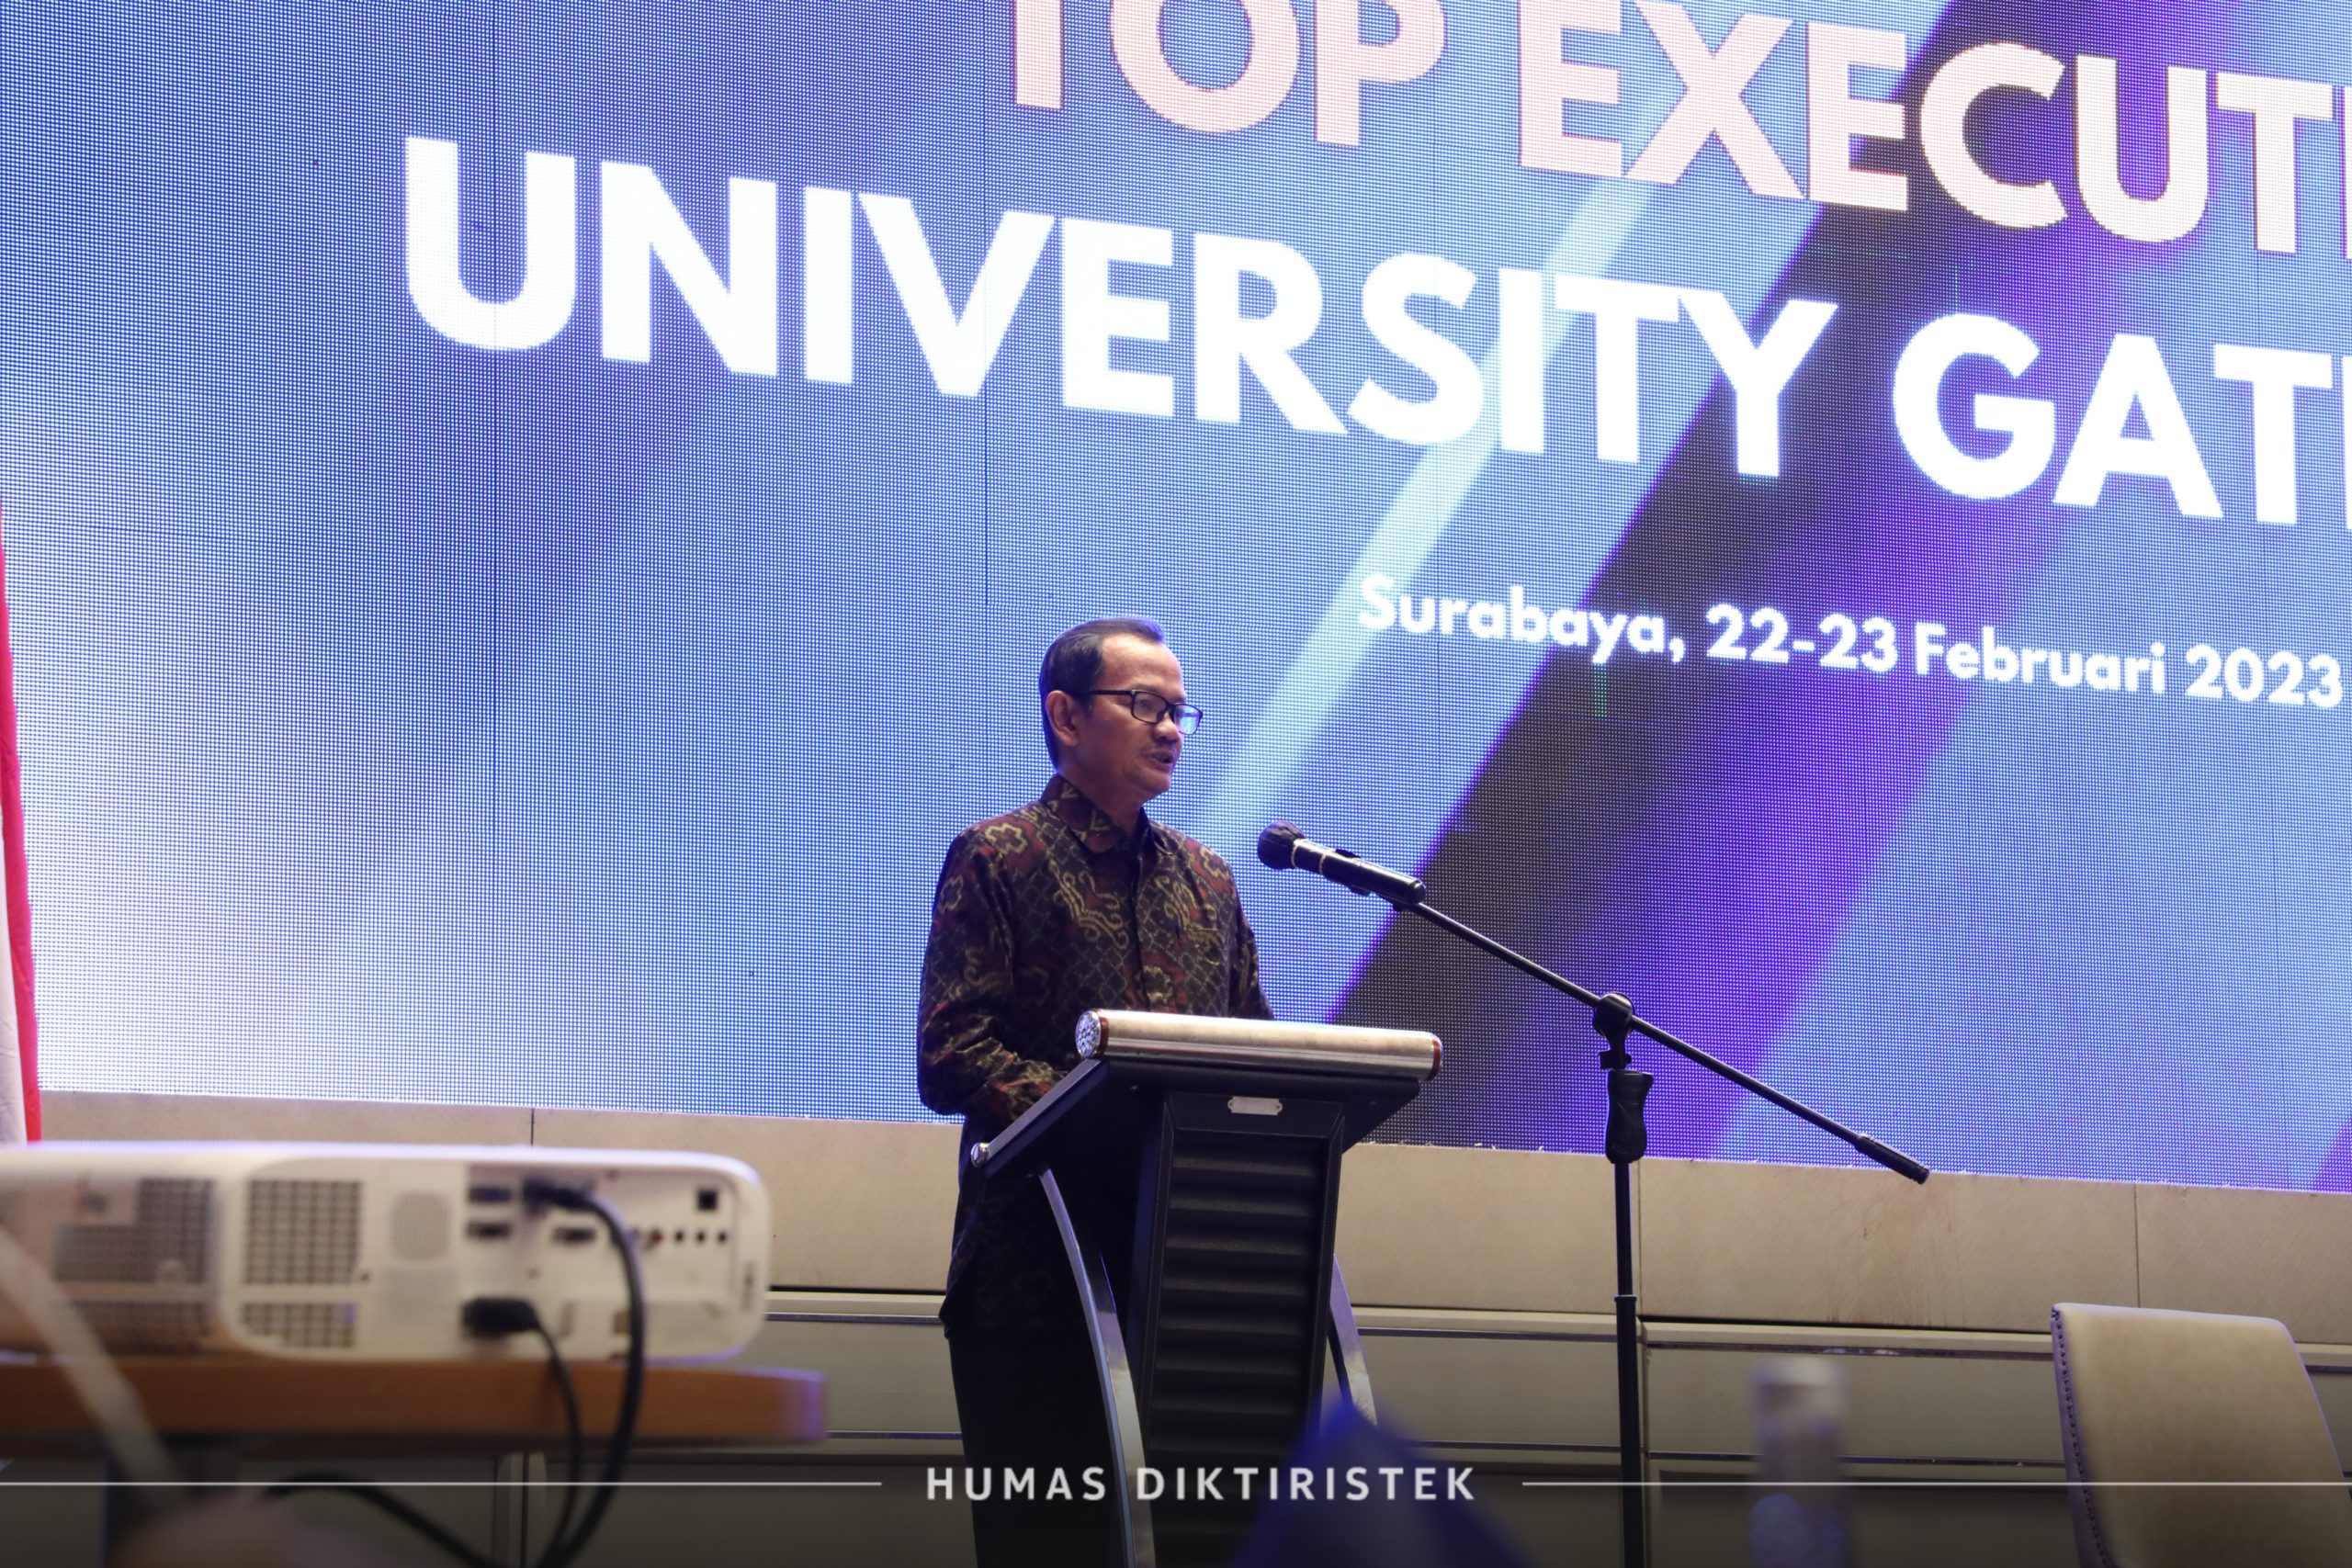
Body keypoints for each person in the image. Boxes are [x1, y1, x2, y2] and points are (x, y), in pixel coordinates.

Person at [918, 615, 1273, 1568]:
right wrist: (1104, 1111)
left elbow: (1256, 1051)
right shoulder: (999, 856)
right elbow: (952, 1049)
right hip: (1037, 1281)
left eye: (1180, 711)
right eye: (1145, 705)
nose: (1171, 729)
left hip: (1195, 1288)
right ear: (1066, 716)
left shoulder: (1208, 881)